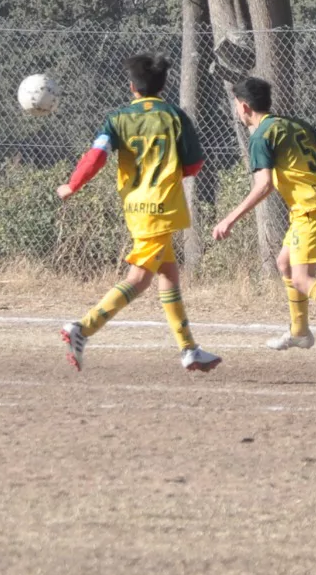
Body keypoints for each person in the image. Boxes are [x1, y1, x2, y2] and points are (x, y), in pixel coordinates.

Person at [57, 54, 219, 372]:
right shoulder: (175, 116)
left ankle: (189, 349)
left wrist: (72, 185)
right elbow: (195, 164)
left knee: (168, 274)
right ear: (163, 86)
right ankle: (83, 328)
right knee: (140, 279)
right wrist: (169, 174)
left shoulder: (117, 118)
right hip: (162, 207)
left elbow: (96, 156)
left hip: (136, 206)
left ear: (132, 86)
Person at [211, 78, 316, 353]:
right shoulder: (292, 123)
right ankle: (299, 332)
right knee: (285, 263)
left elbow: (264, 186)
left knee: (302, 279)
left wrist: (229, 218)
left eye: (237, 105)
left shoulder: (261, 136)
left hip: (309, 210)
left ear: (245, 106)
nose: (237, 110)